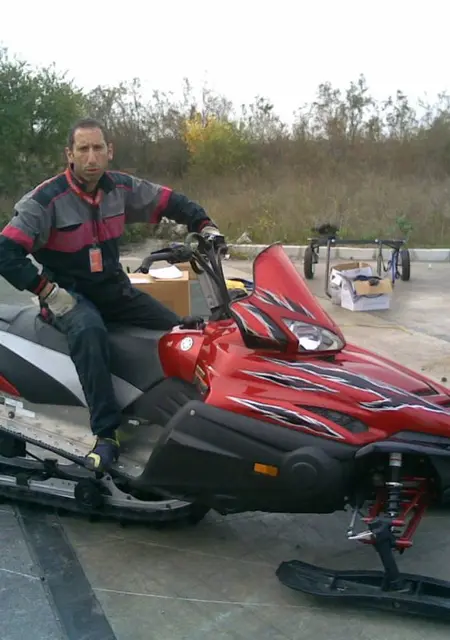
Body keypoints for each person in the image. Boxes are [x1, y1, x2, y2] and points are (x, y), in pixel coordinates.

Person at [0, 117, 221, 471]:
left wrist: (204, 225)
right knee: (89, 332)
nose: (91, 157)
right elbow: (5, 251)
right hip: (67, 295)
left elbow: (170, 201)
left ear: (109, 151)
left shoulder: (121, 188)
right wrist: (46, 291)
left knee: (181, 330)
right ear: (69, 154)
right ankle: (106, 434)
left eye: (98, 148)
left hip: (114, 290)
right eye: (83, 149)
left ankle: (203, 413)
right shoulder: (45, 200)